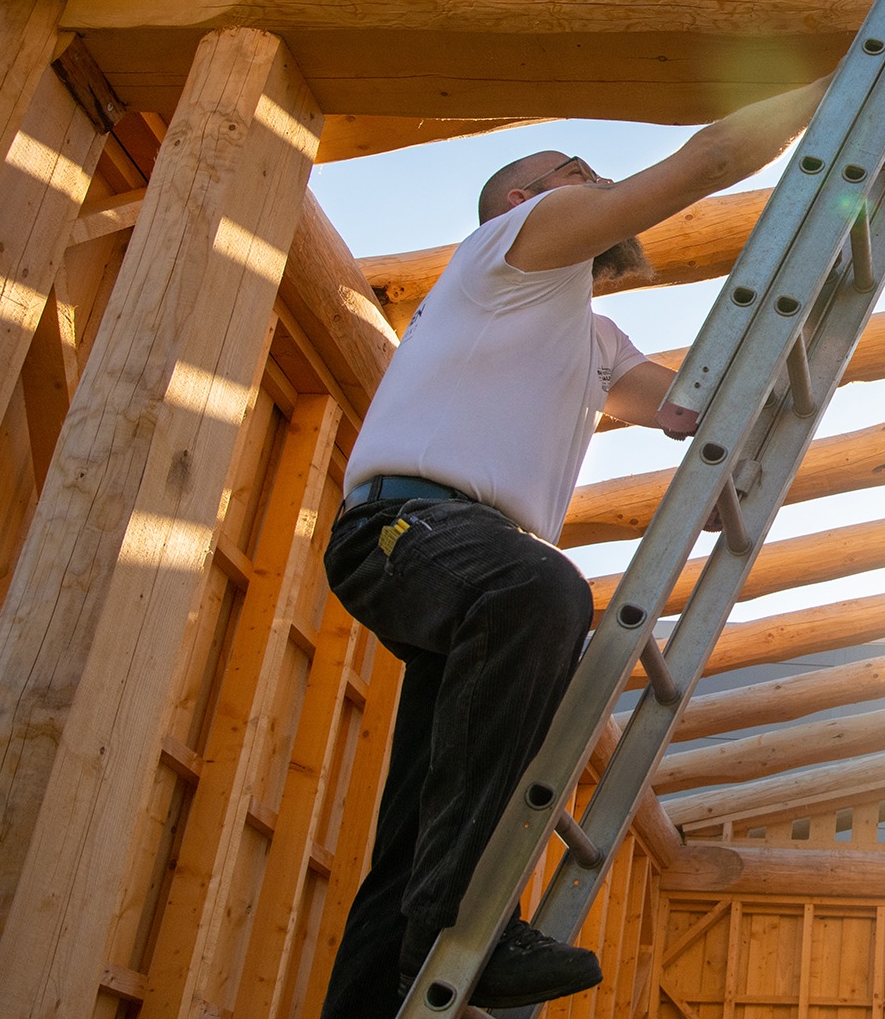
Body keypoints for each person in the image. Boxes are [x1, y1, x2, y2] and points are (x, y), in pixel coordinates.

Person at [319, 78, 830, 1016]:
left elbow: (678, 405)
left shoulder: (586, 331)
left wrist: (756, 410)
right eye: (576, 174)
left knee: (413, 833)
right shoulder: (514, 250)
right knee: (542, 592)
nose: (595, 185)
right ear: (528, 201)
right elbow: (707, 161)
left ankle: (394, 964)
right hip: (406, 529)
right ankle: (460, 919)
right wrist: (828, 93)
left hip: (466, 562)